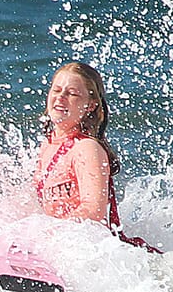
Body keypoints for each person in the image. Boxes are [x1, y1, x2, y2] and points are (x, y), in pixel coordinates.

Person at [30, 62, 156, 250]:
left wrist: (49, 235)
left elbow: (93, 211)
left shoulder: (87, 148)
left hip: (95, 253)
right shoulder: (47, 145)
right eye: (56, 90)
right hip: (61, 246)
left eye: (72, 94)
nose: (60, 98)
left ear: (90, 105)